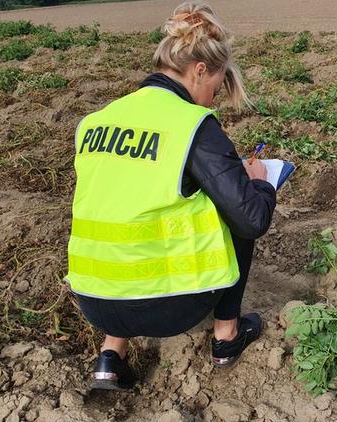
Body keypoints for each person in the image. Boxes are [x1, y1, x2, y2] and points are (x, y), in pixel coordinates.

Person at [65, 0, 276, 390]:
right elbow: (252, 219)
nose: (213, 98)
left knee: (126, 202)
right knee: (237, 205)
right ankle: (227, 336)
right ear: (199, 71)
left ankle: (111, 355)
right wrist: (259, 183)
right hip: (166, 308)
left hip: (93, 301)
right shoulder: (191, 124)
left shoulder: (96, 121)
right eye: (216, 85)